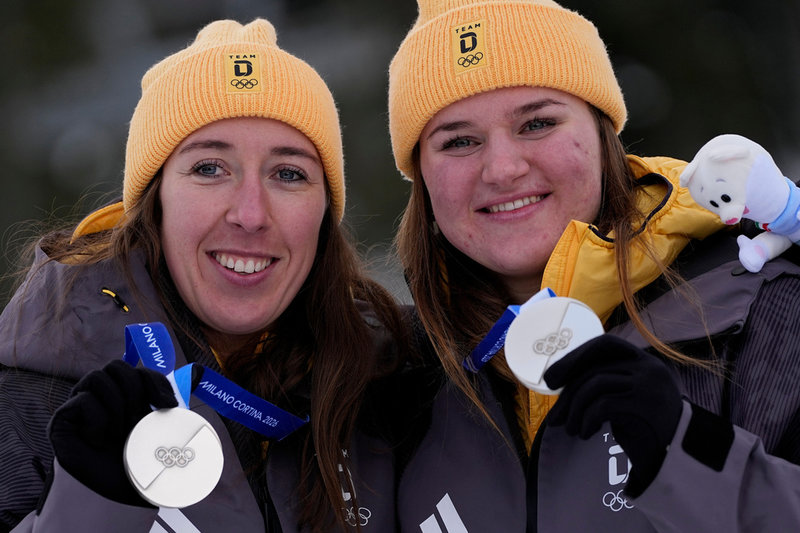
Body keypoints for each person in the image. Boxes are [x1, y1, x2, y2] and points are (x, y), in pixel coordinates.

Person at [387, 0, 800, 531]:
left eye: (537, 123)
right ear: (421, 175)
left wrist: (685, 451)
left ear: (603, 135)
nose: (504, 169)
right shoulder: (390, 377)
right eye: (459, 141)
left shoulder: (766, 307)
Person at [0, 18, 409, 532]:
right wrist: (95, 504)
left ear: (326, 214)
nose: (251, 214)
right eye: (209, 168)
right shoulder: (40, 393)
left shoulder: (383, 380)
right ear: (154, 203)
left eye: (288, 173)